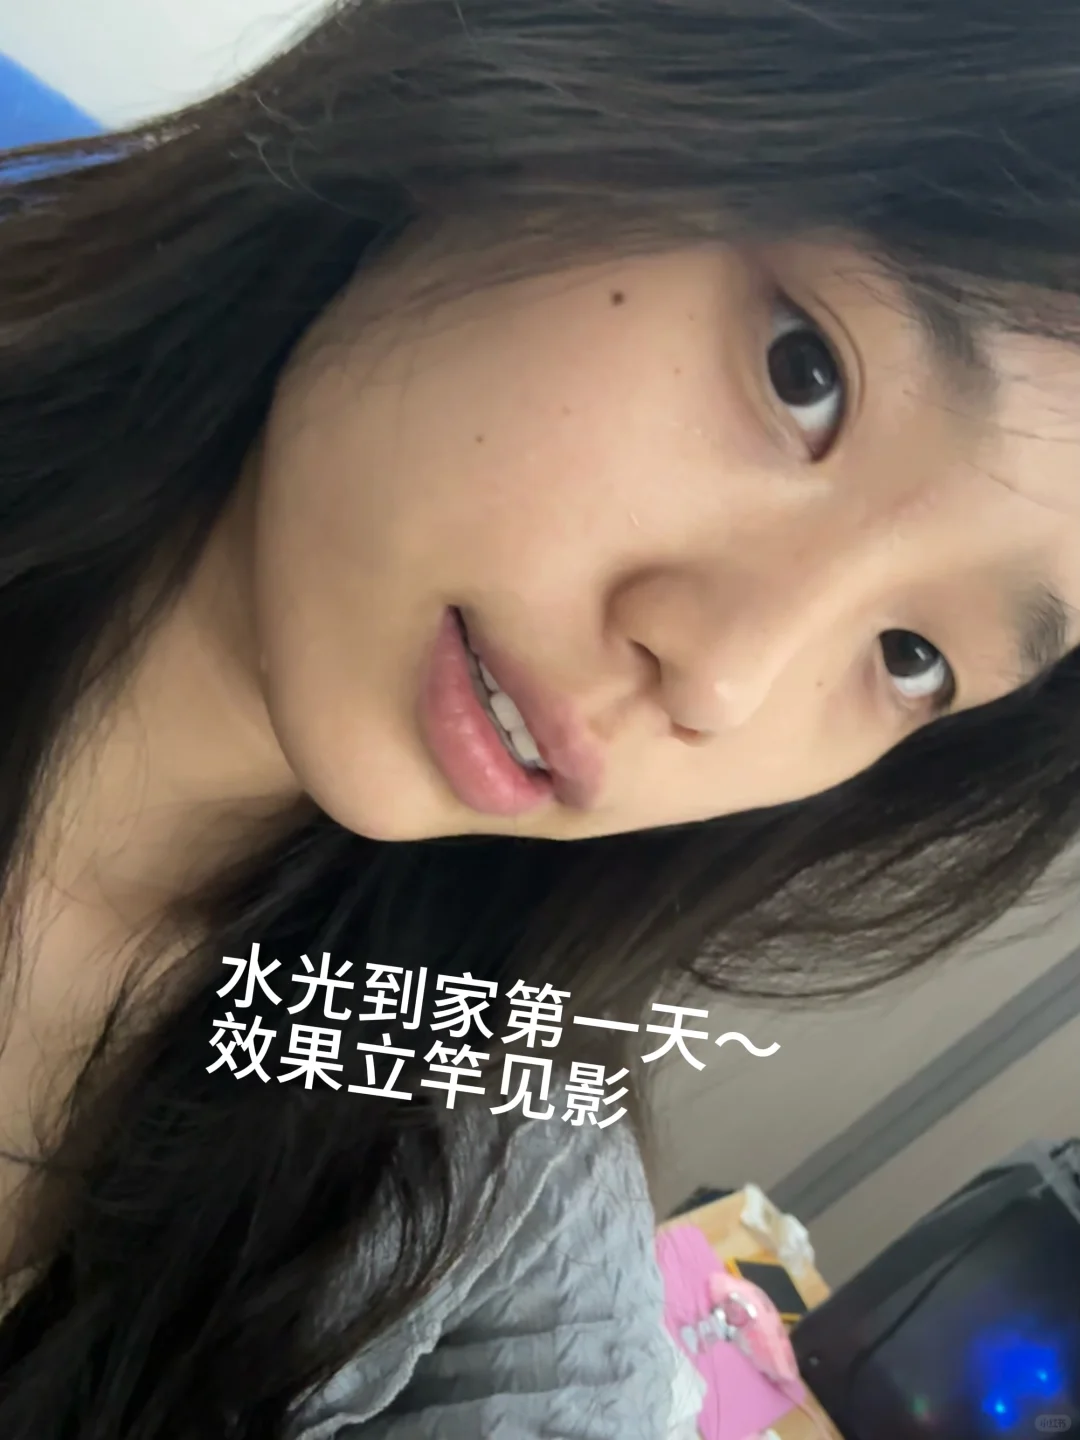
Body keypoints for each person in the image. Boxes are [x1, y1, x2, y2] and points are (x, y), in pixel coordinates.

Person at [2, 0, 1080, 1434]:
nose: (722, 679)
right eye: (804, 373)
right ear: (567, 85)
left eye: (912, 656)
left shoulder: (475, 1163)